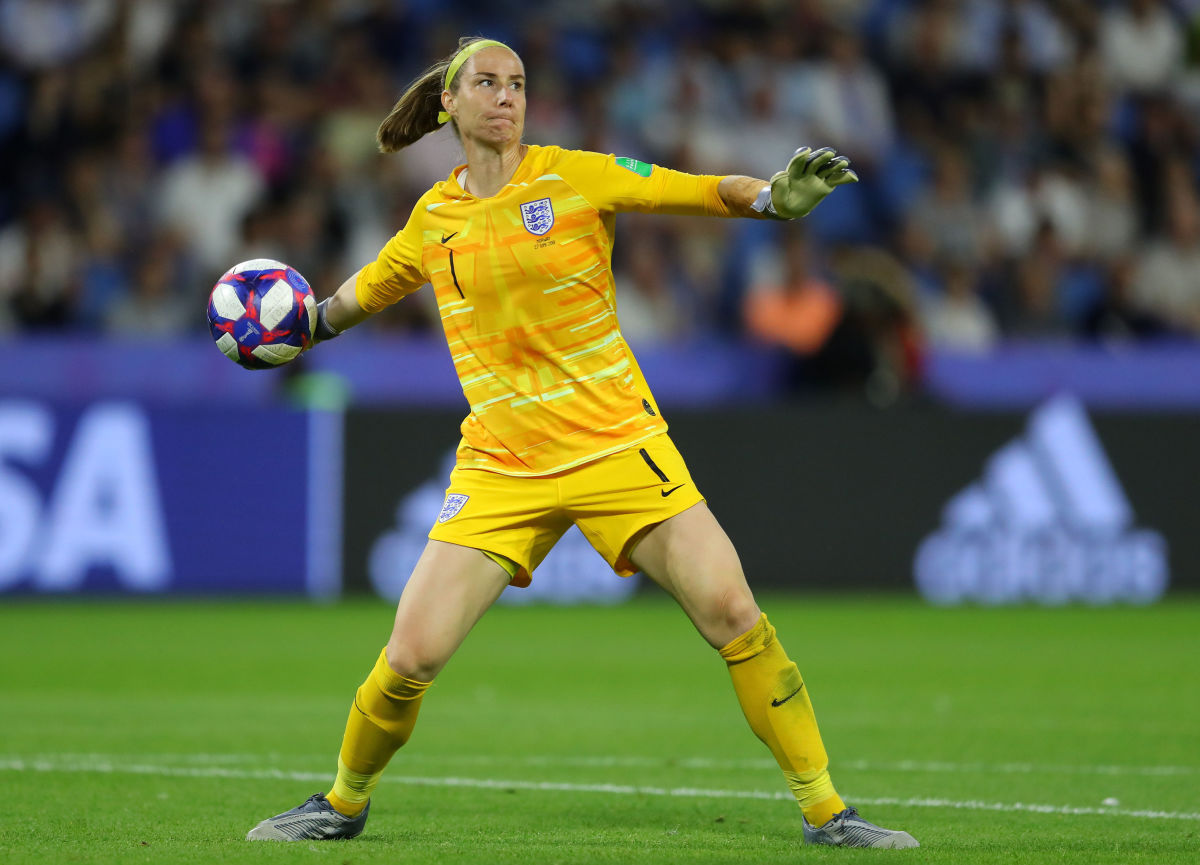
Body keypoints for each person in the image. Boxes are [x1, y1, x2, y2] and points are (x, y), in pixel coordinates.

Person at [245, 37, 918, 850]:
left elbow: (696, 191)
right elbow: (359, 294)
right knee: (411, 653)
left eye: (518, 84)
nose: (506, 96)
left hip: (617, 444)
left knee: (733, 610)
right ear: (450, 105)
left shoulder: (574, 175)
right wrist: (294, 328)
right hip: (502, 462)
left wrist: (774, 198)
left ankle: (827, 811)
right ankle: (340, 805)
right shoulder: (436, 218)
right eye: (487, 84)